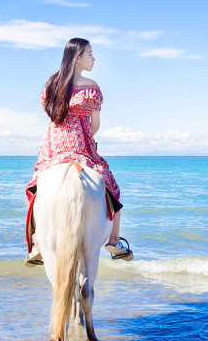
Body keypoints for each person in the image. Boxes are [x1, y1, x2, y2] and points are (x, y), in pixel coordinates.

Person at [24, 37, 133, 266]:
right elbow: (94, 126)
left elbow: (52, 114)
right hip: (80, 143)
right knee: (111, 187)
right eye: (90, 54)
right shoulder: (91, 86)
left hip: (53, 144)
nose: (94, 59)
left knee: (36, 188)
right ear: (78, 57)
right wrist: (85, 138)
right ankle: (114, 241)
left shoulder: (52, 83)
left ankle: (37, 245)